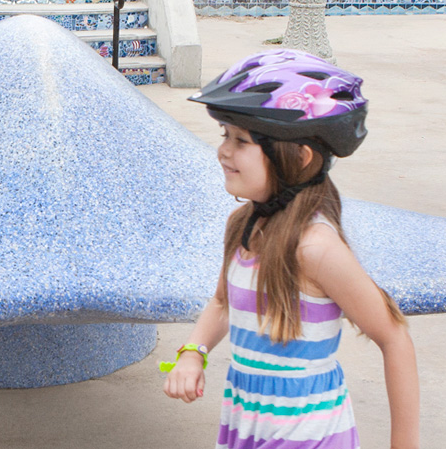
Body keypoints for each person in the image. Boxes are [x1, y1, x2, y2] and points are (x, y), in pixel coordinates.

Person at [161, 50, 419, 448]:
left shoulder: (315, 248)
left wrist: (405, 445)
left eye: (241, 140)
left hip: (306, 432)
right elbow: (222, 302)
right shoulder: (244, 225)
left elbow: (393, 336)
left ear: (298, 157)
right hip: (247, 424)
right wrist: (193, 352)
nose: (224, 151)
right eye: (224, 135)